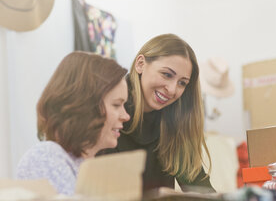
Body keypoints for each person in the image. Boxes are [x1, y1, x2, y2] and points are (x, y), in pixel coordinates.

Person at [99, 34, 215, 195]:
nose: (172, 90)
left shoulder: (174, 124)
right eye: (167, 75)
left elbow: (202, 191)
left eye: (182, 83)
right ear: (140, 64)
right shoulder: (104, 113)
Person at [16, 51, 130, 195]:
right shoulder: (45, 157)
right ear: (85, 106)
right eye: (116, 105)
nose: (126, 116)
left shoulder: (87, 166)